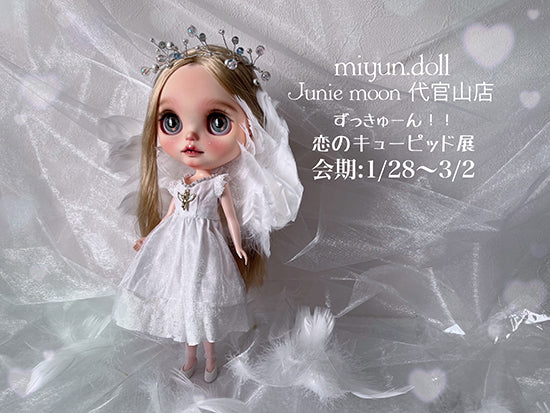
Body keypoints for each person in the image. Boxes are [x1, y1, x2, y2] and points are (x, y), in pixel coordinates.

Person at [111, 29, 303, 383]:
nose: (189, 136)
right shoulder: (179, 184)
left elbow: (231, 218)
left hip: (207, 248)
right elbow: (170, 216)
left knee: (206, 303)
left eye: (217, 122)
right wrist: (148, 238)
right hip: (178, 248)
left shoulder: (218, 184)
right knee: (185, 300)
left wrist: (239, 245)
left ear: (251, 129)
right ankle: (191, 358)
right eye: (171, 121)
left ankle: (210, 360)